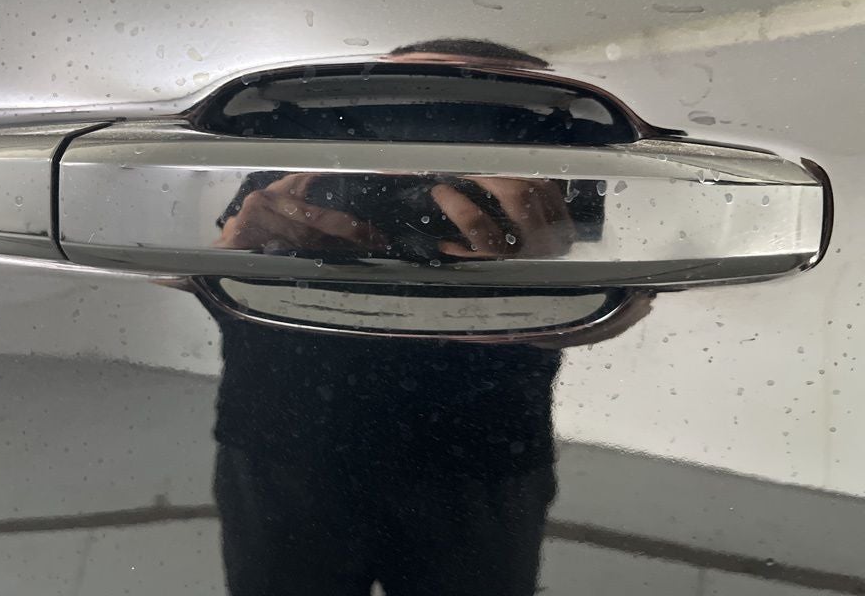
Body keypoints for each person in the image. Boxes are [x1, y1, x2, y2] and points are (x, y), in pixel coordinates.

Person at [208, 39, 652, 595]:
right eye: (401, 109)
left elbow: (625, 306)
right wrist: (234, 256)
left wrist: (549, 280)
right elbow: (213, 280)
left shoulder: (561, 176)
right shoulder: (301, 148)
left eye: (492, 122)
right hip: (304, 439)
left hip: (467, 448)